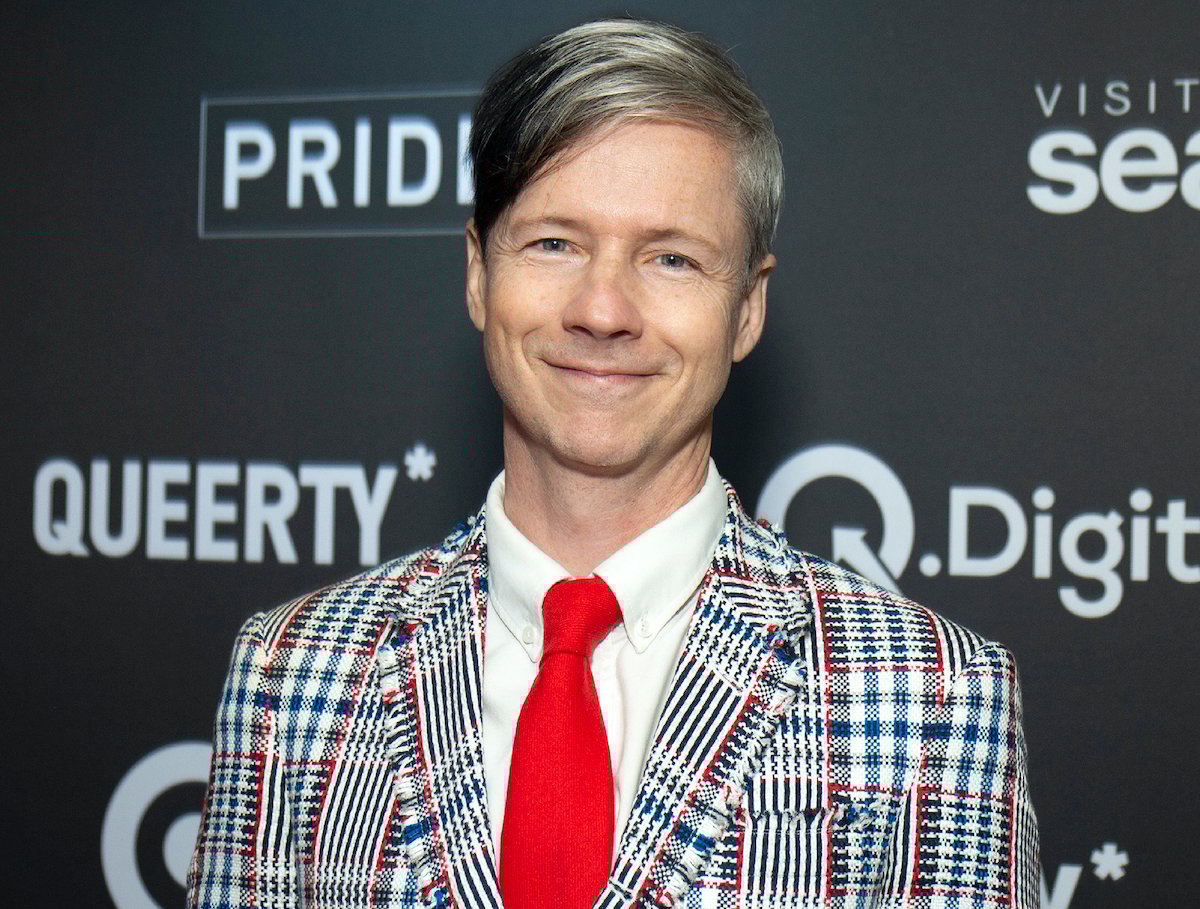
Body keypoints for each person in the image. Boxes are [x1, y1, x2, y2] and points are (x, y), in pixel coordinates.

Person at [187, 17, 1039, 909]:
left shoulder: (931, 698)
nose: (602, 309)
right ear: (479, 272)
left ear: (747, 308)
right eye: (555, 242)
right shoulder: (293, 672)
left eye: (671, 258)